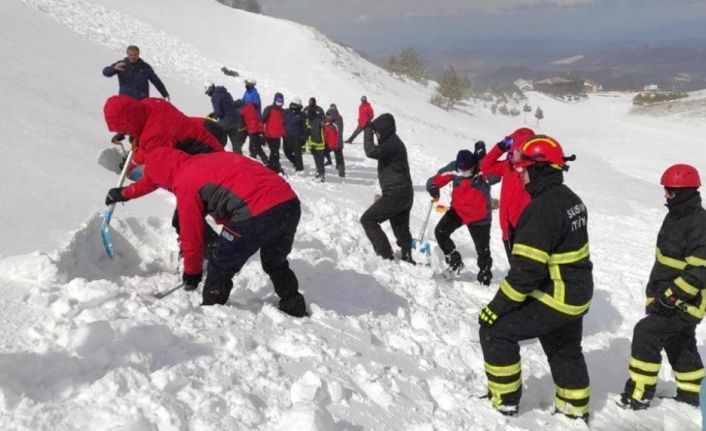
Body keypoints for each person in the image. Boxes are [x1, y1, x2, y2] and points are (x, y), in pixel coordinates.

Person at [113, 147, 308, 317]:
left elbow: (192, 235)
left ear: (163, 177)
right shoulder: (202, 160)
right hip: (288, 203)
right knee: (275, 262)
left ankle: (212, 314)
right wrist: (123, 193)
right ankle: (293, 304)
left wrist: (192, 273)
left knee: (220, 265)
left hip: (255, 212)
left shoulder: (185, 183)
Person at [478, 135, 591, 420]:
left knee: (496, 330)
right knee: (564, 348)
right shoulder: (571, 199)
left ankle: (503, 401)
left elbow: (525, 275)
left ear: (539, 168)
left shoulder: (540, 211)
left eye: (524, 168)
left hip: (557, 295)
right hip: (576, 293)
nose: (521, 175)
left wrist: (496, 308)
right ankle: (573, 411)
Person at [619, 164, 706, 410]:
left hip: (685, 302)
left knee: (646, 333)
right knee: (679, 342)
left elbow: (700, 271)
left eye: (670, 191)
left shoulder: (700, 223)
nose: (666, 196)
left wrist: (670, 297)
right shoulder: (676, 217)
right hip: (667, 297)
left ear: (685, 192)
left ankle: (639, 394)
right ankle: (693, 396)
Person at [102, 95, 225, 255]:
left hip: (210, 167)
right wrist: (131, 133)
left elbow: (154, 178)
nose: (124, 133)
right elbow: (147, 143)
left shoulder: (155, 138)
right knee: (187, 216)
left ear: (130, 122)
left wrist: (124, 193)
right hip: (211, 154)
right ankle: (206, 249)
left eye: (124, 129)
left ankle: (213, 252)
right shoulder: (151, 103)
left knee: (184, 219)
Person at [426, 148, 494, 284]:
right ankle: (454, 261)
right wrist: (433, 187)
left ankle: (485, 275)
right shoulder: (454, 168)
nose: (464, 174)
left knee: (483, 250)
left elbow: (497, 174)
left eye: (468, 170)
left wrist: (486, 160)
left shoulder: (482, 170)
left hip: (479, 217)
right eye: (462, 171)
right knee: (440, 232)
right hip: (459, 211)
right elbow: (435, 179)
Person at [361, 113, 415, 263]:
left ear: (384, 130)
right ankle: (407, 255)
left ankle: (385, 256)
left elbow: (371, 151)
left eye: (377, 131)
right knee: (400, 227)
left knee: (368, 220)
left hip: (396, 193)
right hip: (404, 193)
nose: (376, 135)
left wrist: (367, 130)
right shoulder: (393, 142)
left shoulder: (392, 144)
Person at [479, 127, 534, 262]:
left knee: (527, 276)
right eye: (512, 151)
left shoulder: (534, 172)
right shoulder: (507, 166)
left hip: (526, 233)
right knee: (516, 272)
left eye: (517, 152)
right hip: (507, 232)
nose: (514, 156)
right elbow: (485, 166)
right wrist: (501, 146)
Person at [102, 45, 169, 101]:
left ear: (138, 55)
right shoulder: (121, 64)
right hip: (125, 100)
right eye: (131, 55)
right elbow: (105, 72)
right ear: (127, 54)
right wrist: (113, 68)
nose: (133, 57)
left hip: (142, 101)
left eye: (135, 55)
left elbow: (156, 81)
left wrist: (165, 95)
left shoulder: (145, 66)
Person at [203, 82, 242, 152]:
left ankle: (215, 153)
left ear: (210, 89)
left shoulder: (215, 97)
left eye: (208, 92)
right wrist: (213, 113)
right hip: (236, 120)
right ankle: (240, 160)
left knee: (212, 131)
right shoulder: (226, 93)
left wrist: (213, 116)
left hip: (227, 120)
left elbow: (219, 113)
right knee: (236, 144)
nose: (208, 95)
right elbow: (229, 106)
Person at [261, 92, 286, 173]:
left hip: (277, 136)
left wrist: (284, 134)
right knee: (275, 152)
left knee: (275, 152)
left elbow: (283, 123)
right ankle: (275, 167)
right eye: (278, 100)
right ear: (274, 100)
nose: (279, 102)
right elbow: (262, 121)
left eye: (281, 101)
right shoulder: (269, 109)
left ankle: (272, 167)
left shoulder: (282, 111)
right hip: (269, 135)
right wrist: (262, 133)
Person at [283, 96, 306, 172]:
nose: (293, 106)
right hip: (286, 136)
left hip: (296, 137)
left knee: (297, 154)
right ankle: (295, 162)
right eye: (293, 104)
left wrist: (303, 138)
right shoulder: (286, 112)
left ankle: (300, 168)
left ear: (299, 106)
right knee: (287, 152)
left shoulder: (301, 115)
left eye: (295, 105)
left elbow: (304, 128)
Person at [306, 105, 326, 182]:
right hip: (316, 145)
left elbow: (316, 134)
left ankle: (321, 175)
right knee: (318, 161)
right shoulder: (314, 120)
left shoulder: (315, 121)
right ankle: (319, 173)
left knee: (319, 161)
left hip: (317, 145)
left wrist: (313, 145)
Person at [326, 104, 345, 177]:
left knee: (339, 156)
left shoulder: (338, 119)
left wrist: (338, 143)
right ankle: (331, 162)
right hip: (330, 142)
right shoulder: (329, 118)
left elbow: (340, 132)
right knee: (327, 152)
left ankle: (341, 172)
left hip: (337, 142)